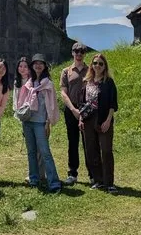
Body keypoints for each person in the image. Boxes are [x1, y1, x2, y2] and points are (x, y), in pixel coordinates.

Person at [16, 53, 62, 193]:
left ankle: (54, 182)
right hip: (28, 121)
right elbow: (22, 102)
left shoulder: (48, 84)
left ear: (44, 66)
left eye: (40, 63)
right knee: (31, 152)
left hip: (40, 122)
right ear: (32, 66)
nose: (38, 65)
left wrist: (48, 122)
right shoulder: (29, 83)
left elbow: (51, 105)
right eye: (35, 63)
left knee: (45, 152)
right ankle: (34, 178)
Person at [79, 53, 118, 193]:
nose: (98, 66)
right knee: (91, 150)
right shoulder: (86, 82)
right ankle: (98, 180)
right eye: (95, 63)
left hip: (103, 118)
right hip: (88, 120)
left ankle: (109, 183)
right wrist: (80, 119)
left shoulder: (109, 82)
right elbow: (82, 103)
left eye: (101, 63)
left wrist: (108, 120)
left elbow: (113, 104)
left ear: (105, 66)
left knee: (106, 150)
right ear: (91, 65)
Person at [59, 42, 92, 185]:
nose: (79, 54)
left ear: (85, 54)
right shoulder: (66, 71)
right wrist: (73, 109)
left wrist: (83, 110)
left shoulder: (90, 70)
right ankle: (72, 173)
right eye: (76, 51)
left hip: (87, 109)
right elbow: (63, 93)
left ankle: (93, 174)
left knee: (88, 142)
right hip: (71, 108)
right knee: (72, 142)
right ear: (72, 53)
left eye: (82, 52)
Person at [13, 57, 46, 181]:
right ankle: (33, 173)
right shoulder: (17, 82)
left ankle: (41, 173)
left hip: (37, 117)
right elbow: (15, 101)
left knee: (40, 147)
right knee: (31, 147)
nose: (22, 69)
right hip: (24, 117)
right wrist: (20, 115)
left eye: (25, 66)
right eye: (20, 66)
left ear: (29, 68)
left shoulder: (33, 81)